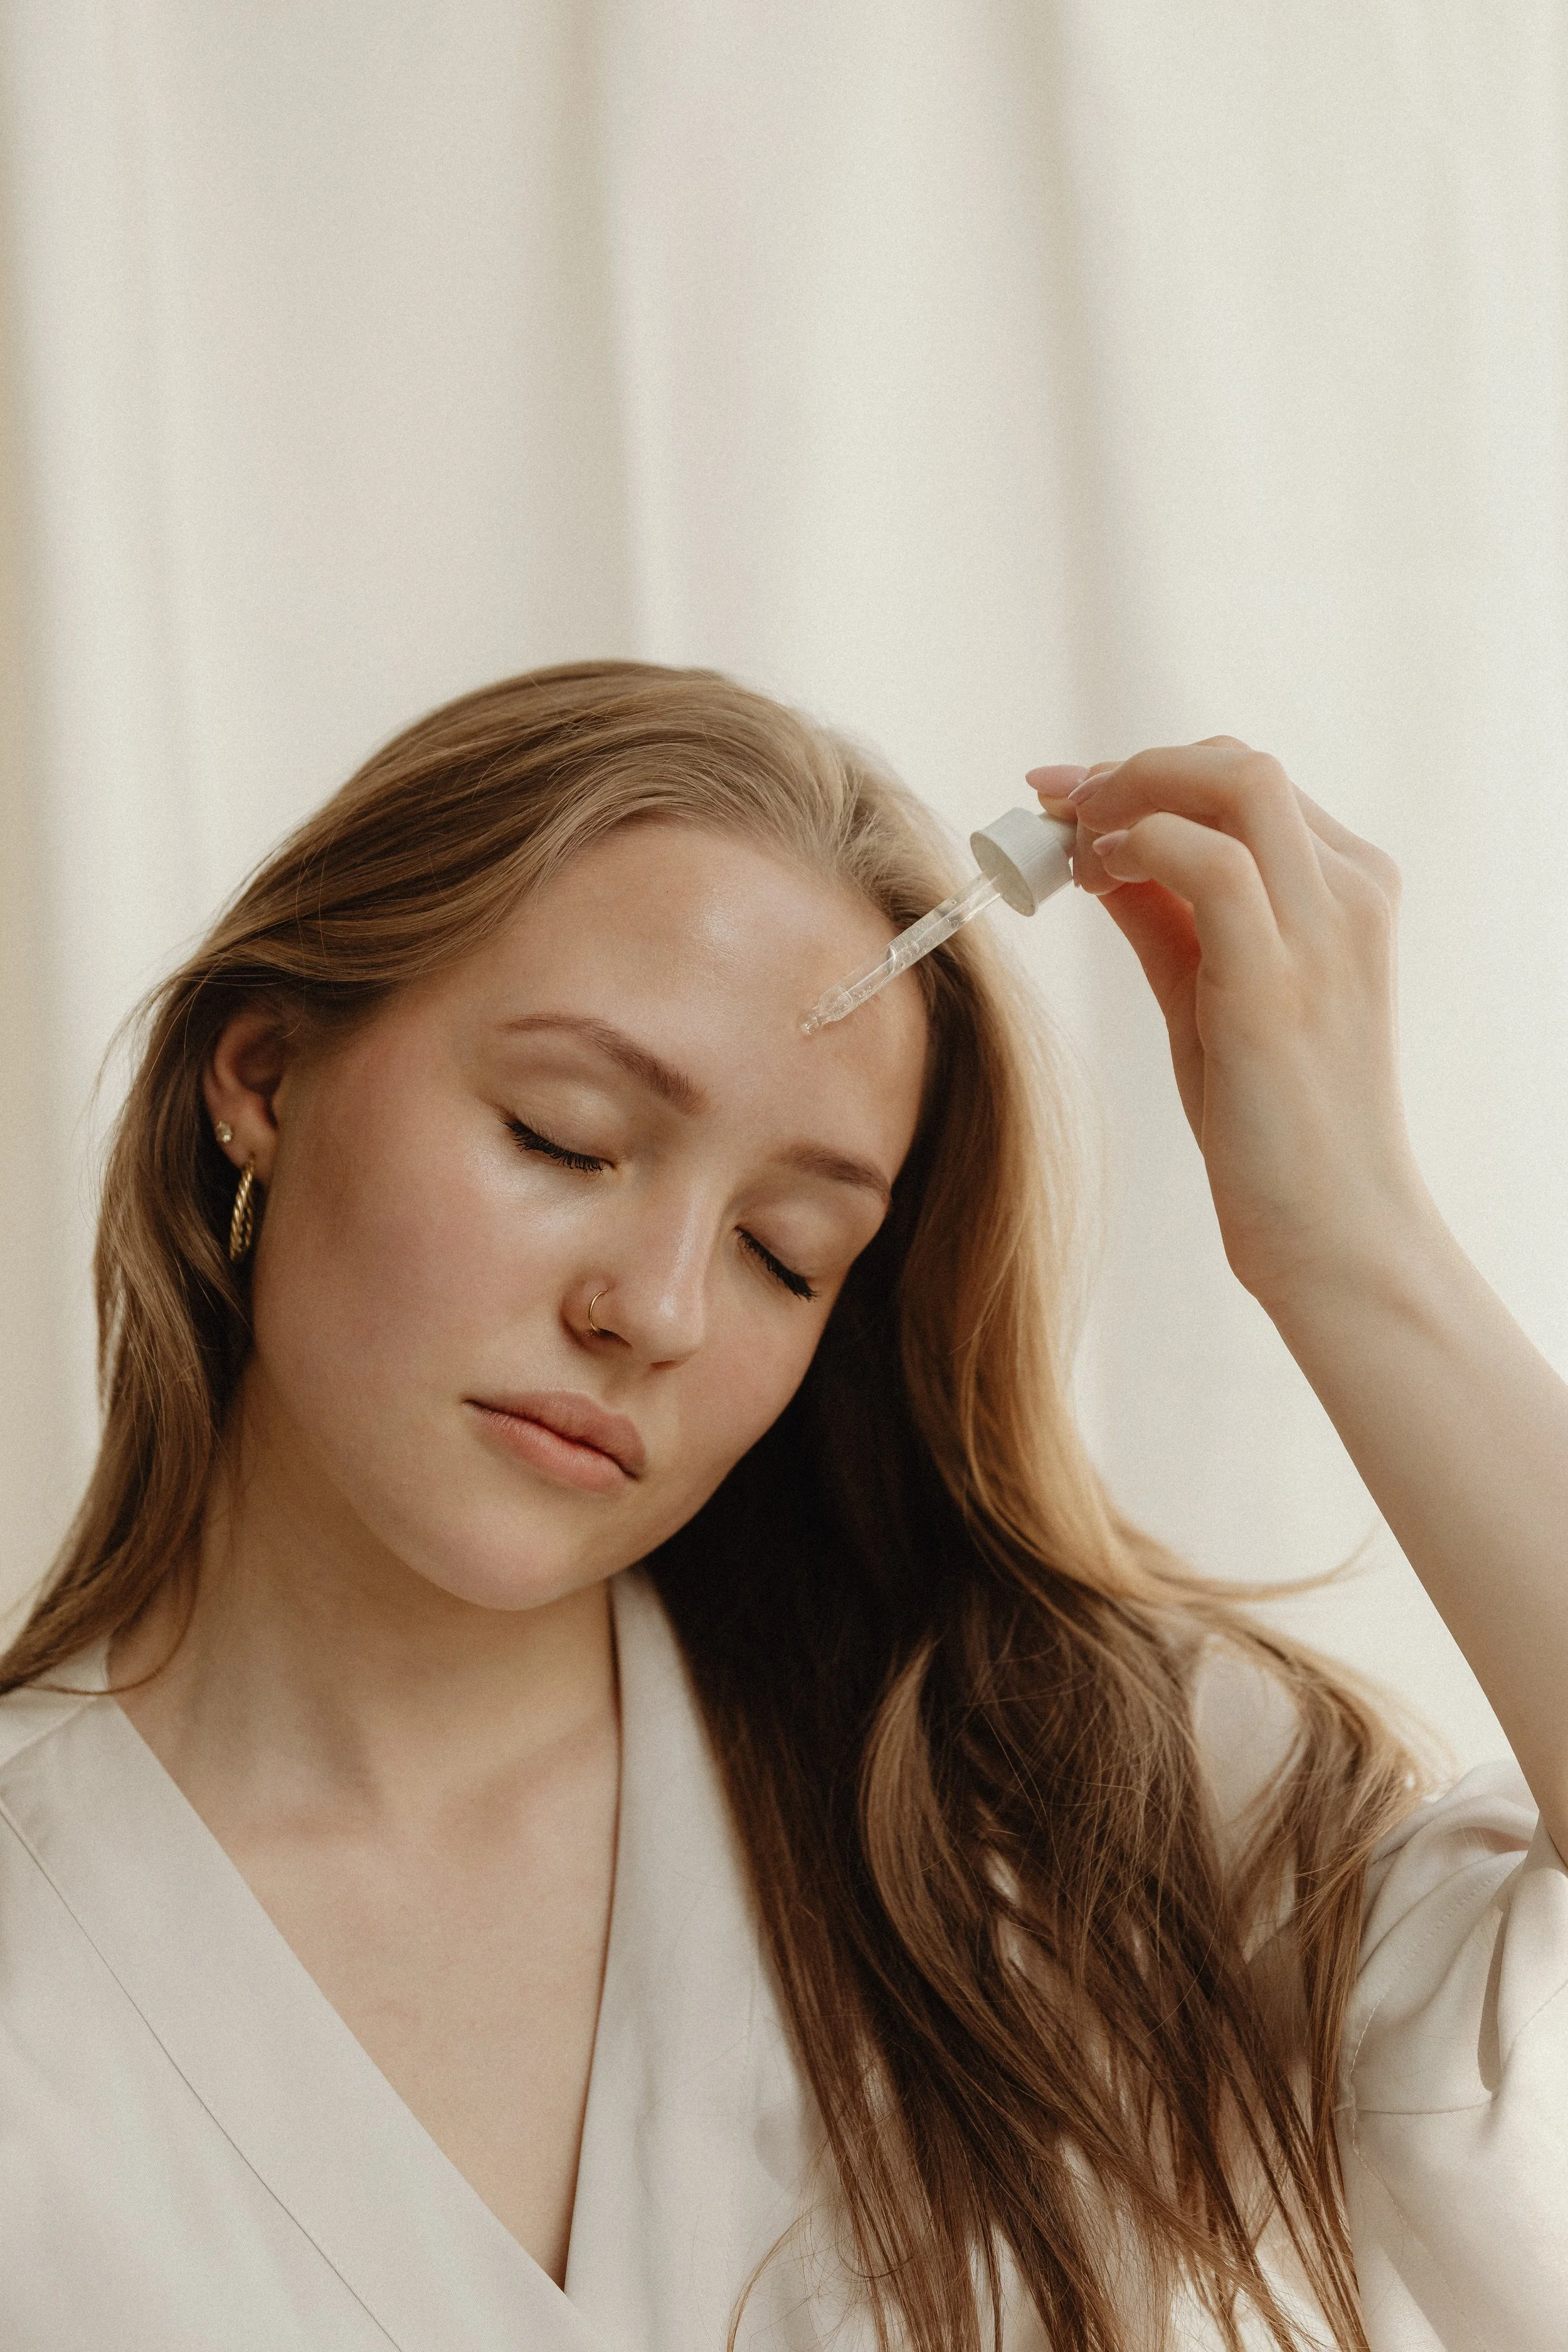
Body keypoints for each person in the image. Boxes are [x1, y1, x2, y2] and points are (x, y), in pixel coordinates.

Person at [1, 662, 1561, 2352]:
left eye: (781, 1252)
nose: (657, 1307)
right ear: (262, 1075)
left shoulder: (1043, 1796)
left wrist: (1353, 1244)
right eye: (563, 1135)